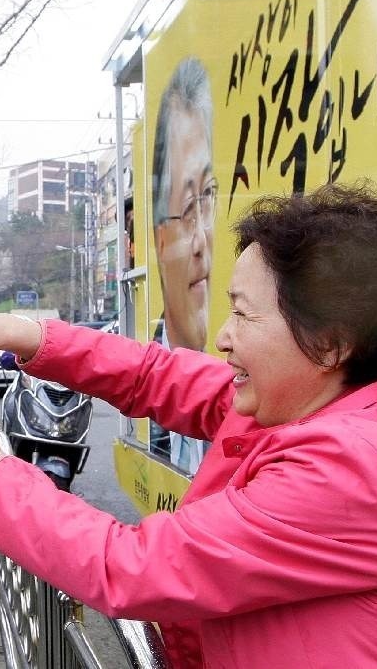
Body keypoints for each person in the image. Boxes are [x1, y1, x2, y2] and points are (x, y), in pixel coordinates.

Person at [0, 183, 377, 668]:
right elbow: (157, 376)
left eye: (245, 314)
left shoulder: (357, 470)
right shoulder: (325, 402)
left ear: (328, 344)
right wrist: (21, 334)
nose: (223, 337)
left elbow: (129, 567)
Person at [149, 56, 215, 475]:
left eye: (207, 196)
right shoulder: (155, 374)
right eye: (187, 206)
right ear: (158, 239)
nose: (201, 240)